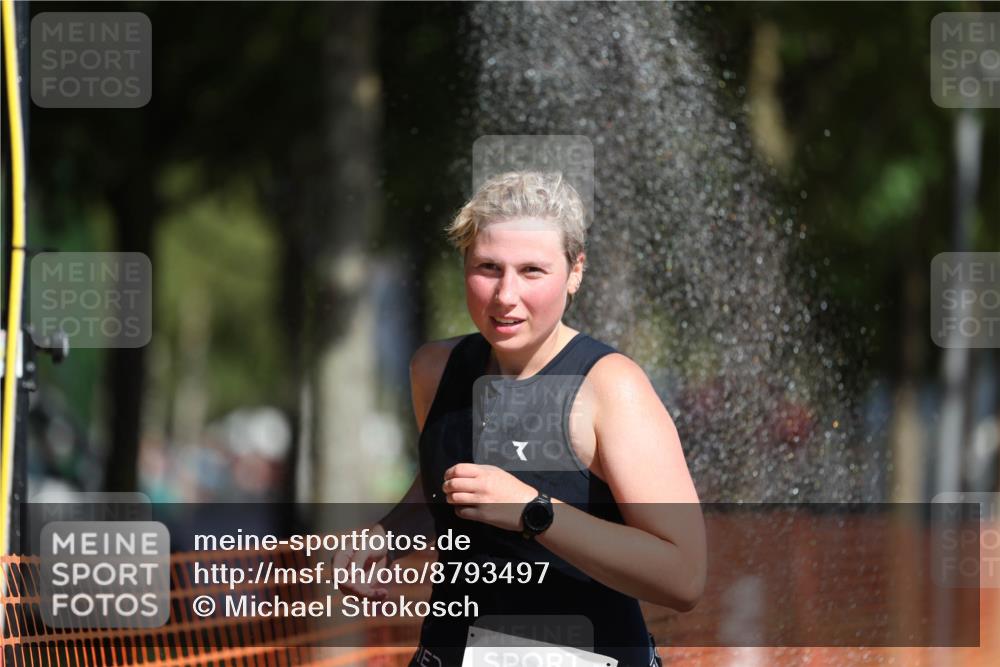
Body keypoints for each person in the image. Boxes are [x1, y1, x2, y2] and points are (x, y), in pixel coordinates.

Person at [336, 171, 706, 667]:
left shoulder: (610, 388)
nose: (505, 295)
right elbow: (444, 490)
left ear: (575, 272)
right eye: (488, 267)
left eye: (533, 271)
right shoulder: (435, 369)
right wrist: (385, 538)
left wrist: (537, 513)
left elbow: (684, 576)